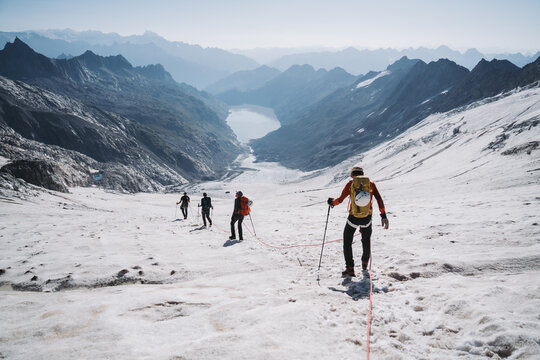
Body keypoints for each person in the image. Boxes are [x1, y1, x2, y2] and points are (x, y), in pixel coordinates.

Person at [328, 167, 389, 277]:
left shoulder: (350, 184)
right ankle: (364, 265)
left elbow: (341, 199)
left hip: (353, 218)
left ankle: (350, 269)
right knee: (366, 241)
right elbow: (379, 199)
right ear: (363, 174)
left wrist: (332, 202)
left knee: (347, 242)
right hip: (367, 218)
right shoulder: (371, 184)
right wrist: (383, 215)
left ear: (352, 175)